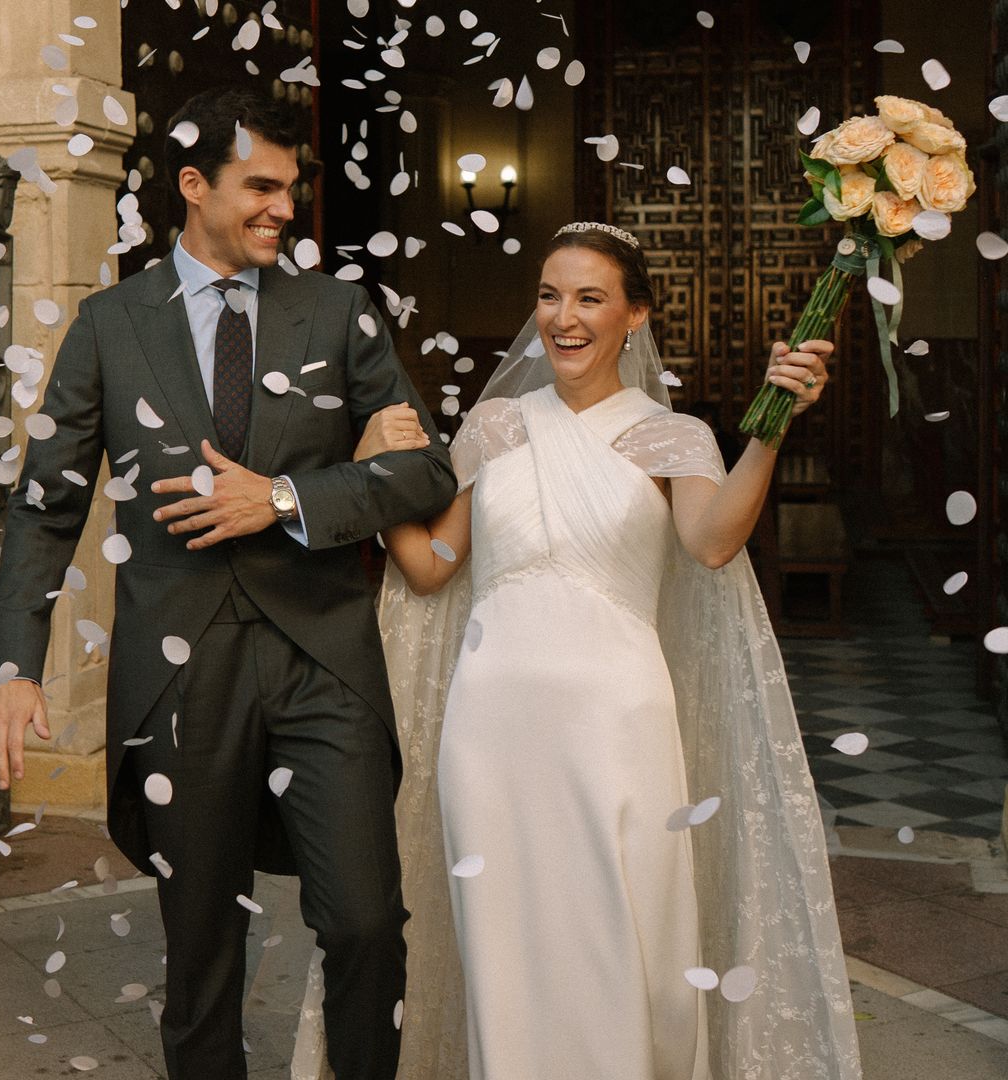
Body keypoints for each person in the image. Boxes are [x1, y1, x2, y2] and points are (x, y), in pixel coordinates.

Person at [281, 222, 863, 1079]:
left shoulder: (674, 437)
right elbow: (432, 566)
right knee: (504, 944)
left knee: (622, 938)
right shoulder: (493, 425)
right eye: (550, 296)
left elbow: (710, 542)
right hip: (491, 730)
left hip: (618, 723)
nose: (564, 317)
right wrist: (373, 475)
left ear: (635, 315)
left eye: (590, 298)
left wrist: (771, 431)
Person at [0, 86, 456, 1080]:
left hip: (325, 662)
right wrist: (15, 663)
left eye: (293, 187)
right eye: (260, 187)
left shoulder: (339, 312)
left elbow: (427, 471)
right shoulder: (110, 324)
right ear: (194, 186)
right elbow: (47, 505)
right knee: (201, 958)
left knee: (367, 923)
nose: (284, 207)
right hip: (179, 680)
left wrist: (282, 497)